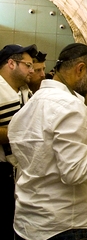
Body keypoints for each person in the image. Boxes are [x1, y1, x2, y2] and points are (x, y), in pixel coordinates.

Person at [8, 43, 87, 240]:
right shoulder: (70, 106)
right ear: (80, 69)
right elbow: (74, 171)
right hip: (65, 223)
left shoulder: (34, 101)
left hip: (29, 219)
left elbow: (44, 158)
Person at [0, 43, 37, 240]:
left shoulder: (25, 92)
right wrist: (20, 132)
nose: (32, 70)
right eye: (28, 65)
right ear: (11, 63)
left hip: (20, 170)